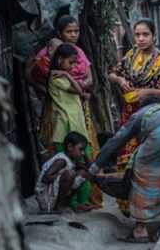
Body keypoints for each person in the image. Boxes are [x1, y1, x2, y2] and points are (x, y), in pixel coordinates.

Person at [89, 97, 160, 243]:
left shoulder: (142, 113)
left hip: (158, 137)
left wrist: (94, 167)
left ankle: (140, 230)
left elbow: (117, 141)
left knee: (144, 177)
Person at [27, 15, 103, 208]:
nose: (74, 35)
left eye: (76, 31)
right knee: (64, 162)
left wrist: (71, 78)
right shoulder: (50, 62)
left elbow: (89, 80)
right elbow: (32, 75)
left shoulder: (77, 55)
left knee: (84, 161)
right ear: (59, 33)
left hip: (78, 116)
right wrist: (72, 82)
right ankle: (64, 202)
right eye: (69, 31)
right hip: (61, 116)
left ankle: (83, 201)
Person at [108, 19, 160, 215]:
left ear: (154, 36)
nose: (140, 39)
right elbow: (111, 74)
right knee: (127, 161)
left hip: (153, 118)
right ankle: (132, 207)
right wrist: (120, 79)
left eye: (145, 34)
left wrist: (147, 92)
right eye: (137, 35)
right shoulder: (131, 56)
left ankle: (156, 207)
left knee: (152, 163)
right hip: (129, 115)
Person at [47, 45, 94, 212]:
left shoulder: (64, 76)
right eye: (71, 63)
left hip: (77, 127)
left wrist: (68, 74)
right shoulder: (56, 78)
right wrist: (68, 75)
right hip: (64, 129)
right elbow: (79, 90)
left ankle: (82, 201)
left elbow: (80, 92)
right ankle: (71, 204)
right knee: (68, 169)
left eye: (75, 63)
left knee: (84, 166)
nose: (73, 67)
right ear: (60, 60)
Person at [36, 132, 90, 213]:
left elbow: (89, 169)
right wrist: (63, 176)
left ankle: (64, 204)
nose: (82, 153)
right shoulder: (61, 161)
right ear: (70, 147)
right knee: (70, 174)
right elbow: (45, 178)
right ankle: (59, 207)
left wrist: (85, 156)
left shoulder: (72, 160)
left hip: (53, 194)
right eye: (81, 149)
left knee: (82, 174)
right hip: (46, 198)